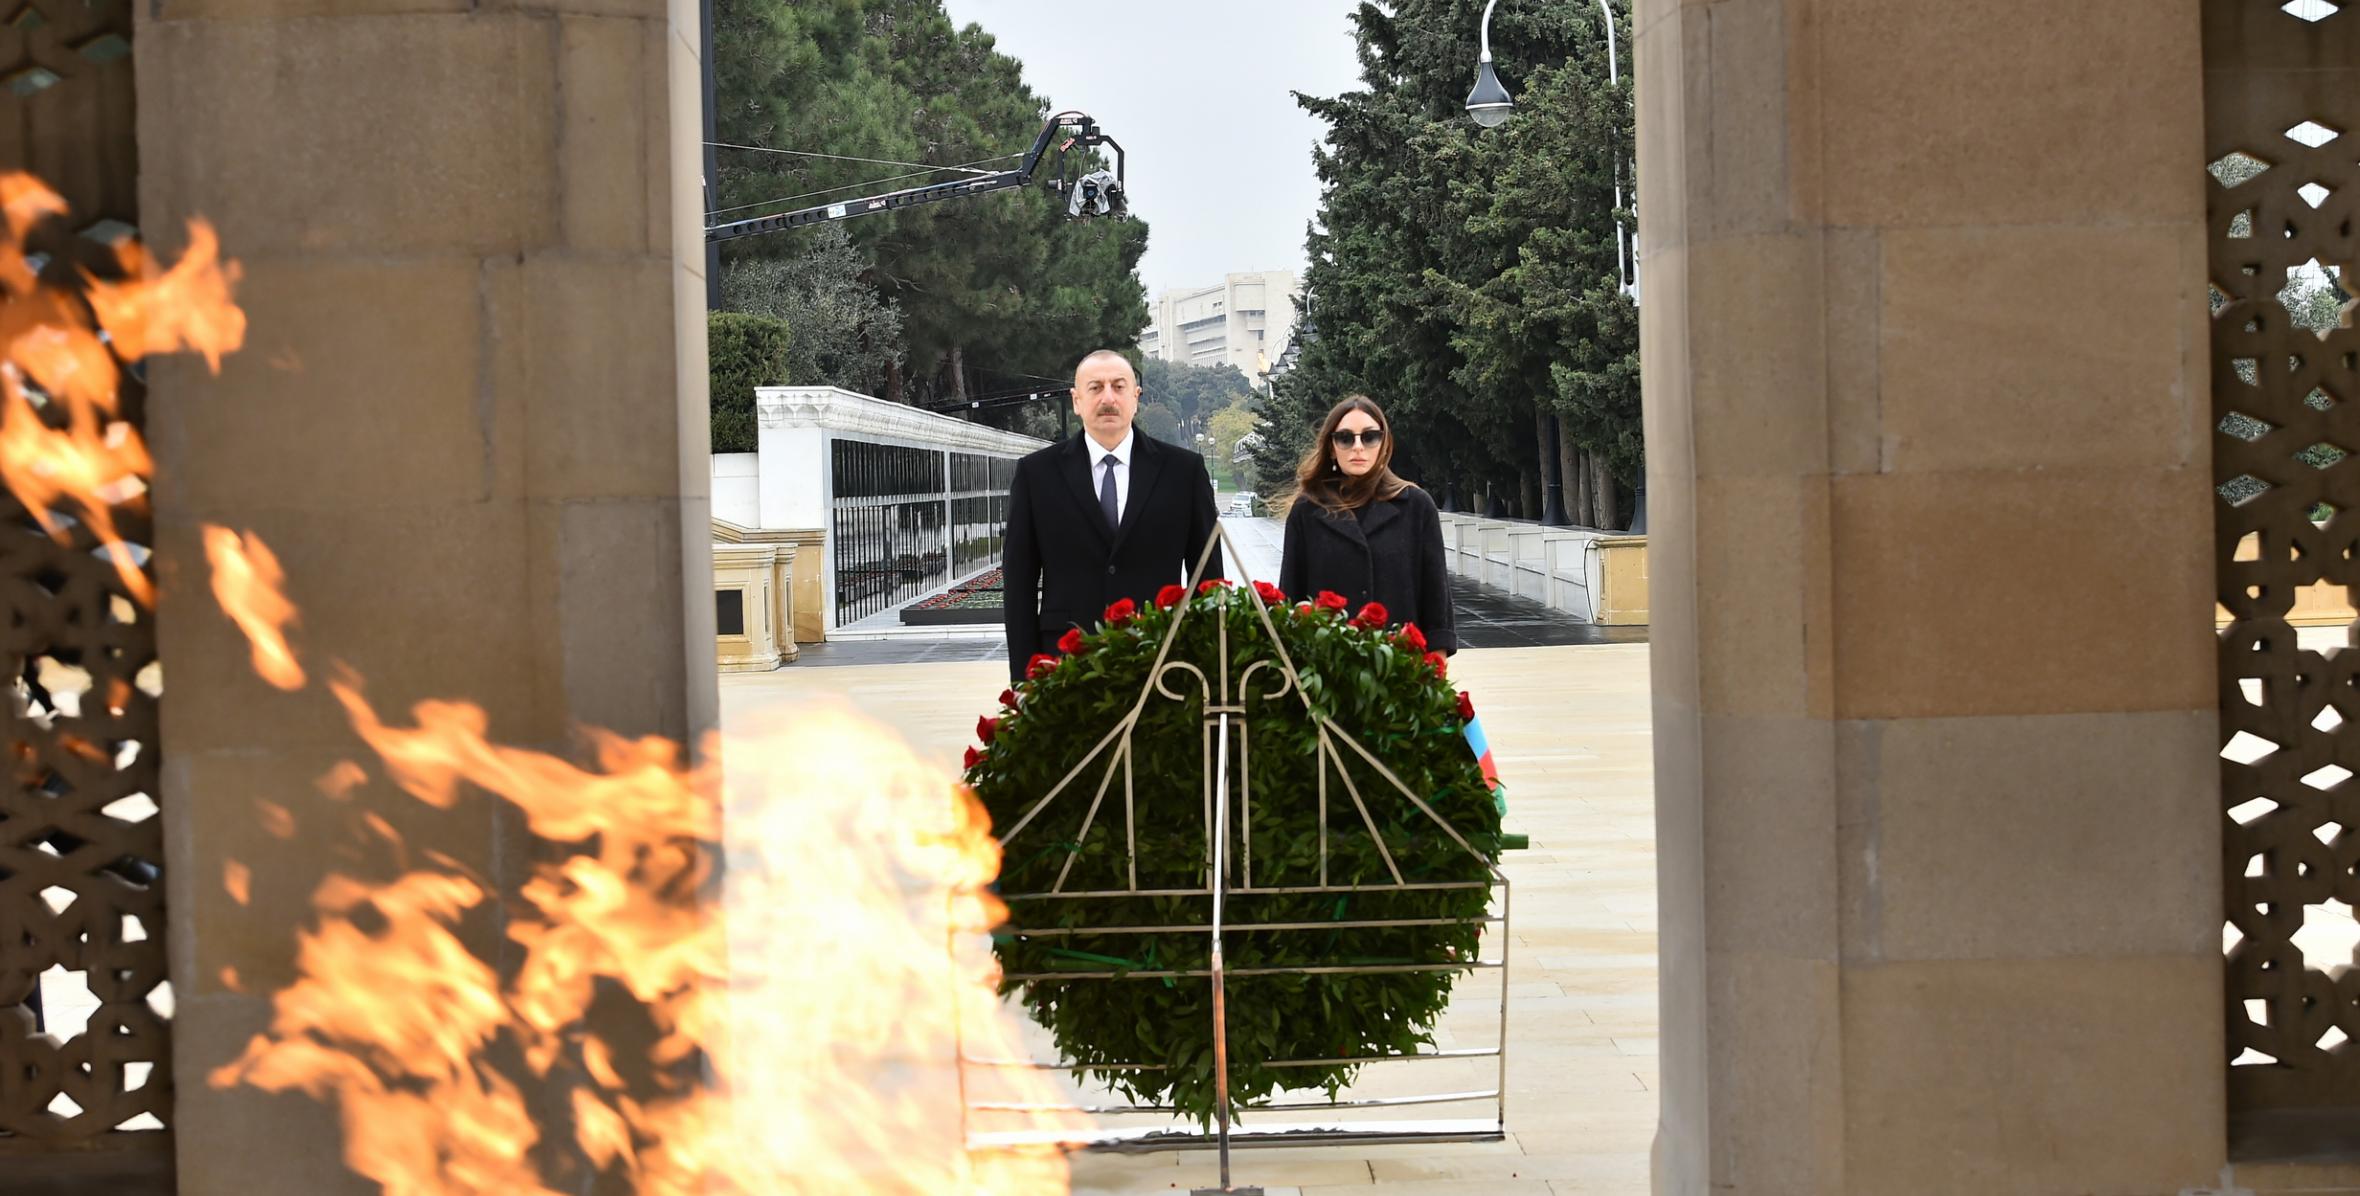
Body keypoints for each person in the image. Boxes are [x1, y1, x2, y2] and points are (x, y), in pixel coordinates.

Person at [1001, 349, 1223, 682]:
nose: (1108, 398)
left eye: (1119, 387)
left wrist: (1205, 667)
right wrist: (1024, 680)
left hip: (1161, 663)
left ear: (1136, 398)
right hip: (1065, 667)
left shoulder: (1184, 472)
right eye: (1095, 387)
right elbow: (1018, 584)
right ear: (1076, 400)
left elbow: (1208, 580)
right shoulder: (1037, 474)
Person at [1276, 395, 1456, 654]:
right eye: (1345, 438)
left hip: (1400, 669)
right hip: (1329, 671)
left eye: (1369, 437)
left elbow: (1436, 595)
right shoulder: (1307, 511)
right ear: (1331, 446)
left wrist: (1436, 661)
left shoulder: (1416, 506)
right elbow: (1290, 594)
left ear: (1383, 443)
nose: (1357, 447)